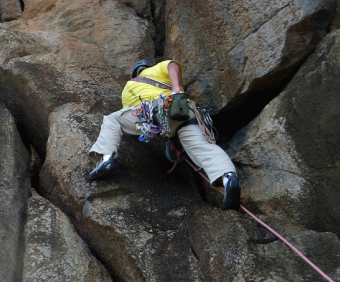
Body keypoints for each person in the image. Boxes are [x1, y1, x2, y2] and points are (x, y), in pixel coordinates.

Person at [87, 58, 241, 209]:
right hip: (186, 113)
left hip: (156, 111)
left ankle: (106, 158)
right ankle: (228, 178)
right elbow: (172, 66)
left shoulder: (136, 81)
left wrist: (175, 89)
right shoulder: (158, 75)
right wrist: (177, 90)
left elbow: (172, 65)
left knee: (113, 119)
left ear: (135, 74)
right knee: (202, 147)